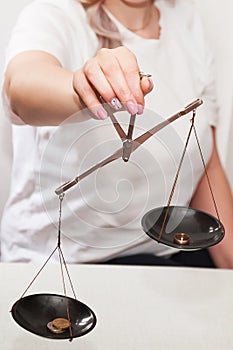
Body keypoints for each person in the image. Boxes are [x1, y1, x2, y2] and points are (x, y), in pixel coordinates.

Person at [1, 0, 233, 267]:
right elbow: (21, 90)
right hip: (65, 265)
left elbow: (205, 161)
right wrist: (83, 88)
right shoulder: (55, 15)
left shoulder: (186, 23)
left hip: (163, 257)